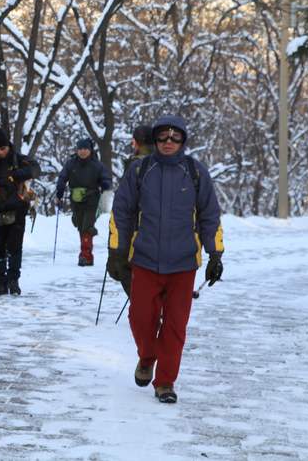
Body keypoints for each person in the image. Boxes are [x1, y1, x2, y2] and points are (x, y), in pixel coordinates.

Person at [108, 115, 223, 404]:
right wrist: (117, 251)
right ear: (155, 140)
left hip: (184, 263)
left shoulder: (196, 173)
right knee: (140, 317)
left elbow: (210, 216)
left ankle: (165, 382)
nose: (168, 143)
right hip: (145, 259)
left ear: (183, 141)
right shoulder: (140, 170)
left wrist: (215, 254)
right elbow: (121, 212)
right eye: (162, 138)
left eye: (175, 138)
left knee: (174, 325)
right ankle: (147, 357)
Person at [0, 126, 40, 296]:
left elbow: (36, 169)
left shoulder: (19, 160)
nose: (0, 152)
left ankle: (14, 281)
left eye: (3, 148)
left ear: (8, 145)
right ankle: (0, 283)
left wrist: (15, 176)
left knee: (15, 248)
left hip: (17, 211)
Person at [107, 123, 154, 297]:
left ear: (136, 143)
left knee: (124, 269)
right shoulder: (168, 163)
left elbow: (123, 208)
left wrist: (115, 249)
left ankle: (146, 311)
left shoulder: (136, 166)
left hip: (137, 232)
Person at [55, 137, 112, 266]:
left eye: (85, 149)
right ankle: (87, 255)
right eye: (80, 149)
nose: (83, 151)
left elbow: (106, 179)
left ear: (90, 150)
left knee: (86, 226)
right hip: (75, 199)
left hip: (92, 199)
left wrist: (105, 187)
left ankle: (85, 255)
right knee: (80, 226)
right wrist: (59, 193)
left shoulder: (97, 165)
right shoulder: (71, 163)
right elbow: (62, 177)